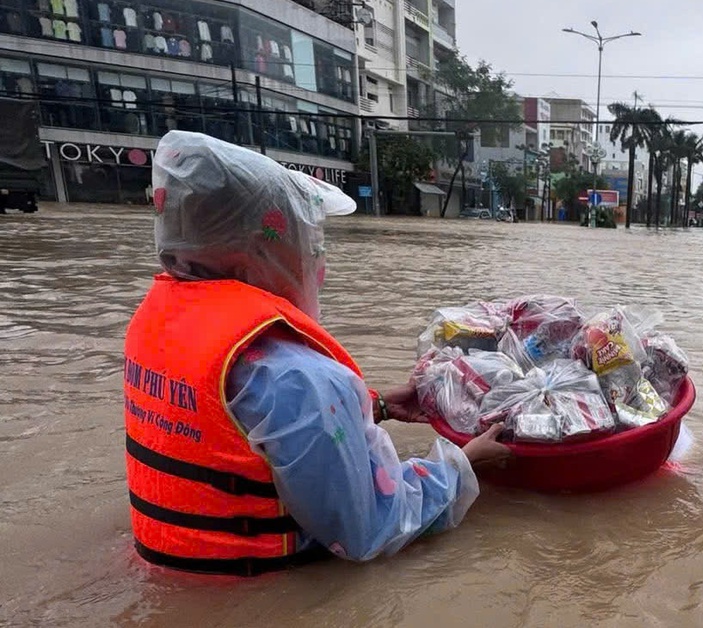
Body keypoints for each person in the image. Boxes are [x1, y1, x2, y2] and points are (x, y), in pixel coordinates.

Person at [123, 131, 510, 577]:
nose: (317, 261)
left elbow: (248, 427)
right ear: (257, 253)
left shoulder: (162, 325)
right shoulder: (299, 377)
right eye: (310, 243)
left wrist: (374, 405)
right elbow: (369, 529)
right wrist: (464, 464)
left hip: (168, 567)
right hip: (261, 590)